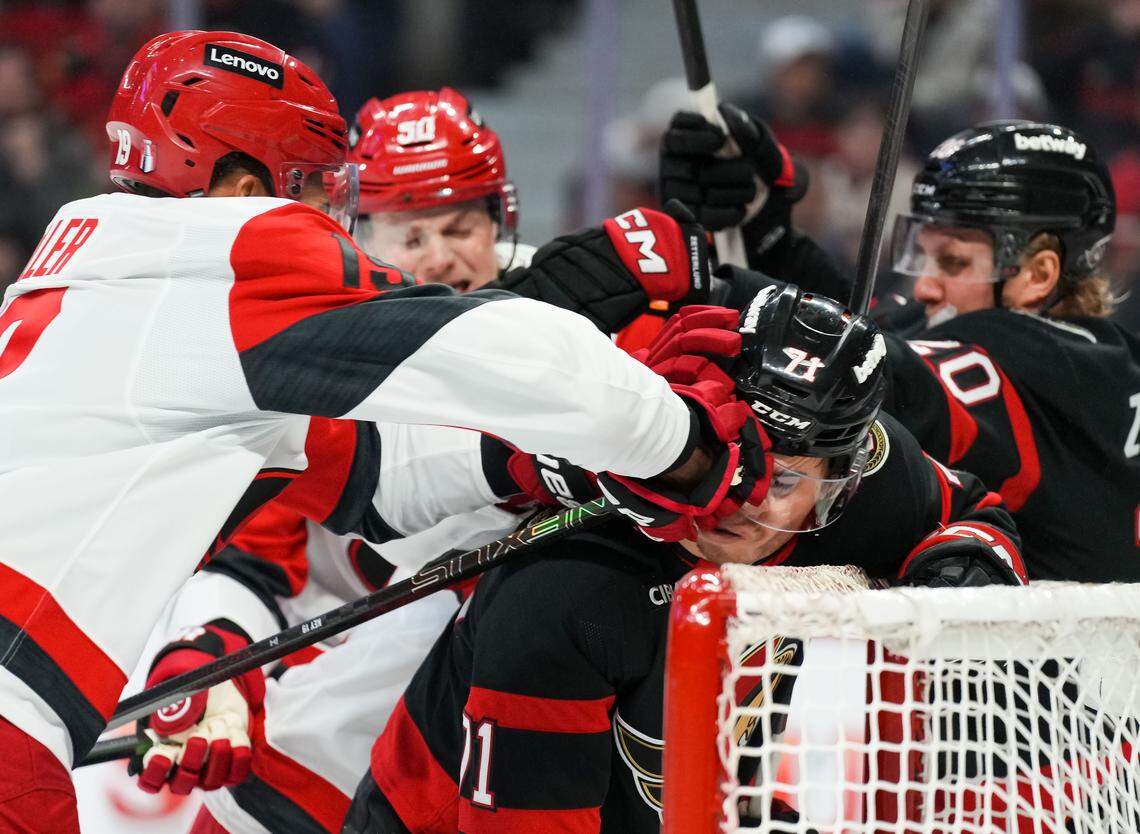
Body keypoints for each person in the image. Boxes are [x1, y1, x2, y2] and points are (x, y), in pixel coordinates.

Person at [0, 30, 772, 830]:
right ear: (235, 183)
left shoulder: (97, 269)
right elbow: (501, 352)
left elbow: (371, 474)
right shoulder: (230, 258)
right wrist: (686, 446)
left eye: (459, 224)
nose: (435, 256)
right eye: (303, 185)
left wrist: (549, 467)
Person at [343, 287, 1026, 834]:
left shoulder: (863, 484)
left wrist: (962, 569)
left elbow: (969, 513)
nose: (744, 502)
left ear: (841, 479)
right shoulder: (567, 590)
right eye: (733, 463)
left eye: (783, 482)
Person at [657, 107, 1140, 581]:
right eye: (923, 256)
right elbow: (867, 323)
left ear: (1038, 274)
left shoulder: (1061, 365)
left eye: (952, 262)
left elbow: (868, 371)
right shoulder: (1070, 351)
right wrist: (765, 229)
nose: (926, 286)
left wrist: (695, 276)